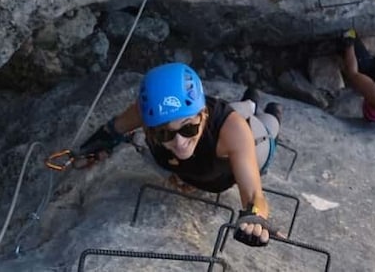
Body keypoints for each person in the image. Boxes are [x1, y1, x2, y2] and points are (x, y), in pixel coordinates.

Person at [76, 63, 283, 247]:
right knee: (237, 112)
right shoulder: (149, 111)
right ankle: (250, 101)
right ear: (149, 128)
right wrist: (90, 149)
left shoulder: (232, 132)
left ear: (203, 115)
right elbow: (111, 131)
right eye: (164, 133)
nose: (179, 143)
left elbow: (254, 195)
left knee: (264, 134)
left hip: (242, 148)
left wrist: (254, 216)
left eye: (188, 129)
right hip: (210, 150)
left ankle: (272, 112)